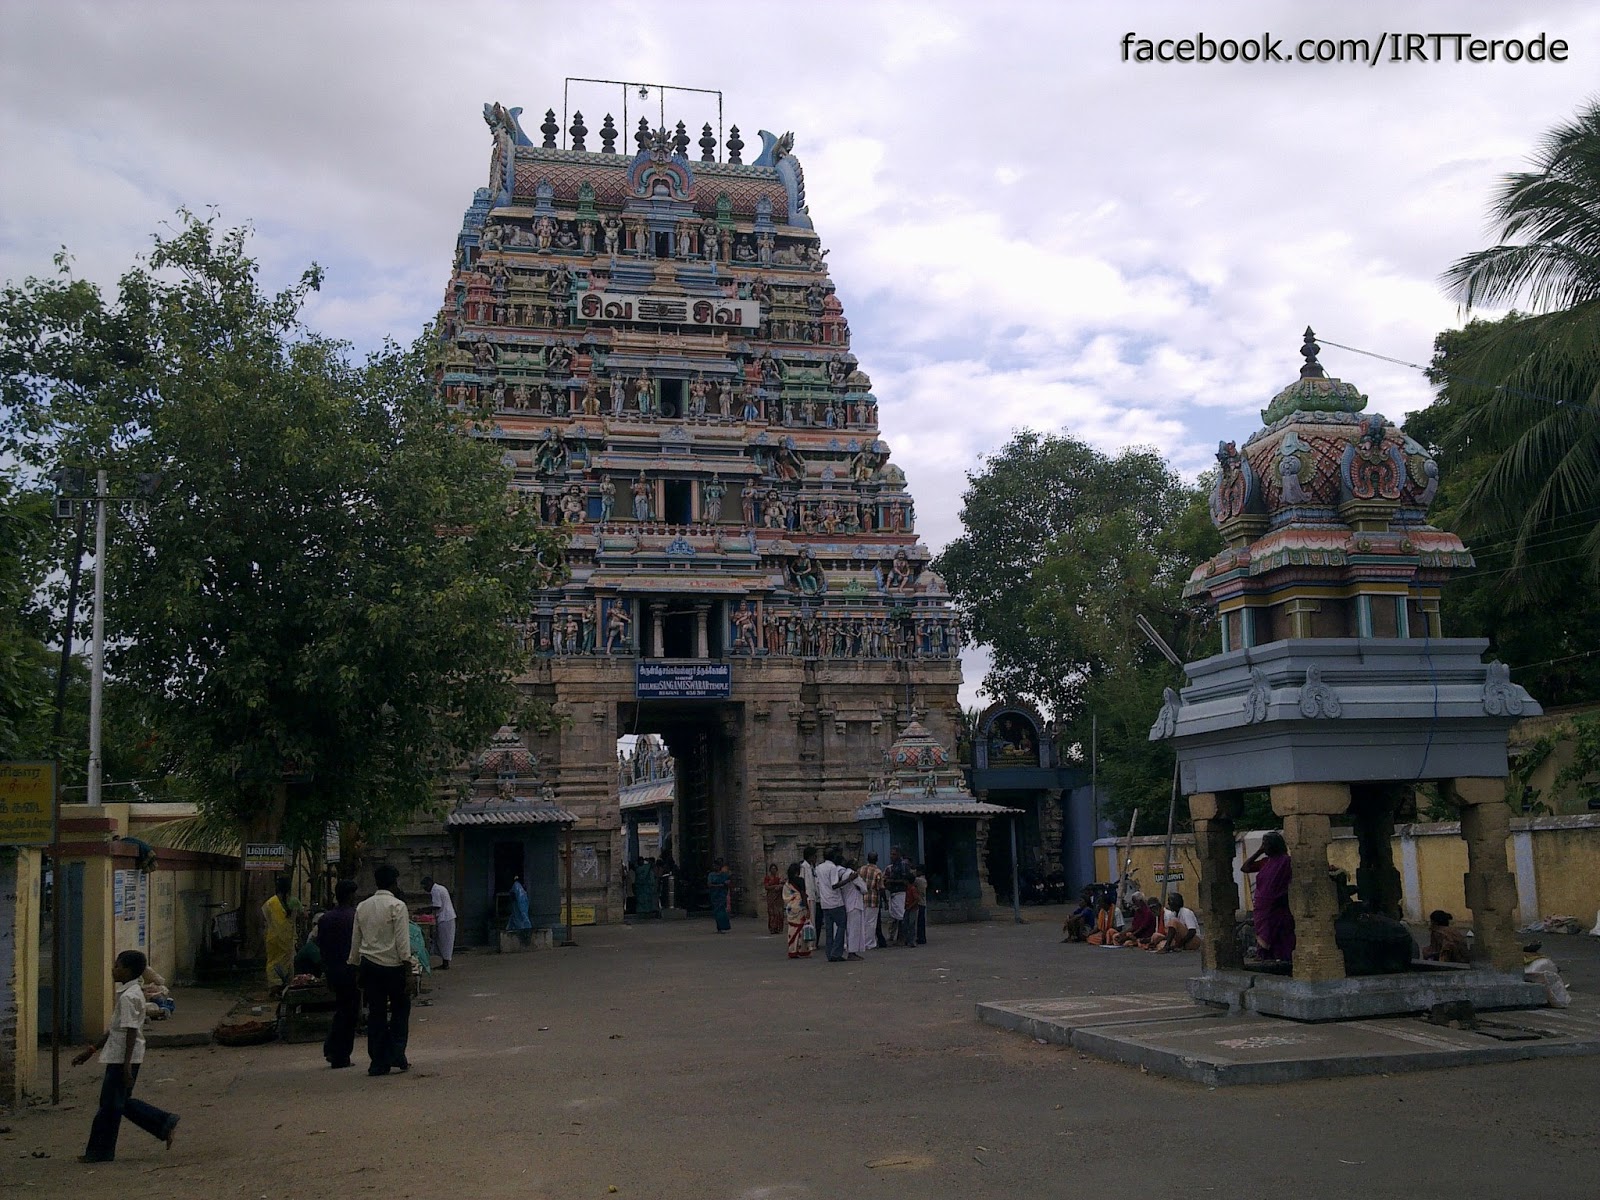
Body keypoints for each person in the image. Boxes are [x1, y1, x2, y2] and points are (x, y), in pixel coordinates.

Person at [73, 949, 179, 1162]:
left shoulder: (129, 997)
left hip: (123, 1056)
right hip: (121, 1054)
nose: (113, 970)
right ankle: (163, 1123)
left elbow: (130, 1031)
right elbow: (115, 1028)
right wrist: (91, 1050)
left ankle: (100, 1152)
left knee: (110, 1104)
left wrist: (126, 1064)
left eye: (117, 966)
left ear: (128, 971)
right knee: (117, 1102)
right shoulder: (129, 993)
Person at [349, 863, 417, 1076]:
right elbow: (403, 942)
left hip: (369, 965)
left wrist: (355, 966)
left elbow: (356, 940)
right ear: (394, 883)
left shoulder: (362, 906)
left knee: (376, 1014)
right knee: (400, 1011)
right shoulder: (397, 906)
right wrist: (409, 971)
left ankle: (378, 1062)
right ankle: (396, 1053)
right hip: (394, 967)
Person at [316, 878, 360, 1069]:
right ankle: (340, 1054)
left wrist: (326, 969)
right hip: (350, 970)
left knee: (342, 1009)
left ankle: (332, 1048)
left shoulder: (325, 918)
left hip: (333, 970)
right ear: (350, 896)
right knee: (349, 1013)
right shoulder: (354, 917)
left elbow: (321, 945)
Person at [1242, 831, 1295, 962]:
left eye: (1266, 844)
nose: (1265, 847)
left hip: (1278, 905)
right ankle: (1267, 958)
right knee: (1264, 932)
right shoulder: (1265, 862)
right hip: (1262, 906)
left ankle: (1282, 958)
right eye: (1263, 844)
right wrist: (1259, 851)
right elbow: (1245, 868)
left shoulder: (1286, 861)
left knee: (1279, 934)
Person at [814, 846, 855, 962]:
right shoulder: (832, 868)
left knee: (829, 930)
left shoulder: (819, 867)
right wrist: (849, 879)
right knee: (841, 925)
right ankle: (836, 952)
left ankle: (829, 953)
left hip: (824, 902)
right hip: (835, 902)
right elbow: (834, 885)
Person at [262, 875, 300, 992]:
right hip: (287, 938)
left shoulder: (270, 902)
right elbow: (301, 916)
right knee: (287, 960)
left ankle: (274, 985)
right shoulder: (294, 901)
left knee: (272, 961)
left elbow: (266, 920)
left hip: (272, 938)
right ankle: (286, 984)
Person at [420, 874, 456, 970]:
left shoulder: (435, 890)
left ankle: (445, 963)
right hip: (447, 917)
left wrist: (423, 910)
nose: (425, 889)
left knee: (445, 941)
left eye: (425, 887)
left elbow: (437, 906)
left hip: (445, 918)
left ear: (429, 884)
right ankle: (445, 962)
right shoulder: (440, 888)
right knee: (444, 940)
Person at [782, 863, 811, 959]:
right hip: (800, 906)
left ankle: (792, 950)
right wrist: (807, 908)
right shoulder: (800, 880)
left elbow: (786, 896)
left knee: (793, 928)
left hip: (791, 907)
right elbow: (803, 894)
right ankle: (802, 949)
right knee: (801, 928)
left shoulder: (788, 883)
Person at [885, 847, 912, 945]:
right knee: (896, 916)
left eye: (894, 854)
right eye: (891, 854)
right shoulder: (892, 867)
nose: (891, 856)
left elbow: (906, 880)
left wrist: (892, 881)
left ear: (899, 855)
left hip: (900, 893)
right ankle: (900, 938)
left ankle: (902, 938)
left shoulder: (903, 865)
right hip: (894, 893)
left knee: (901, 917)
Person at [842, 858, 868, 960]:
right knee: (854, 929)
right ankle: (851, 952)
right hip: (855, 904)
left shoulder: (844, 874)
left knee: (850, 928)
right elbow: (864, 889)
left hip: (848, 903)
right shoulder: (853, 874)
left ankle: (852, 950)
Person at [858, 852, 885, 949]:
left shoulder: (861, 869)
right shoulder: (878, 871)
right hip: (873, 899)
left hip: (861, 898)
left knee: (862, 921)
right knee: (871, 922)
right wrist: (885, 900)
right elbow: (881, 887)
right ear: (876, 859)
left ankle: (861, 941)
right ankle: (869, 943)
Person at [800, 846, 821, 947]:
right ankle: (809, 943)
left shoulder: (812, 867)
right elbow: (802, 883)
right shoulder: (803, 867)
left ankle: (812, 942)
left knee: (812, 920)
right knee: (809, 920)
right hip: (808, 897)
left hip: (813, 896)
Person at [708, 858, 732, 932]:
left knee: (722, 911)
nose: (715, 867)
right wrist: (719, 885)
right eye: (714, 866)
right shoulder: (711, 875)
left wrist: (726, 883)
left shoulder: (724, 875)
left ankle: (723, 926)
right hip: (715, 895)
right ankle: (719, 927)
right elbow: (709, 884)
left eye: (716, 865)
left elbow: (728, 883)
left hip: (722, 895)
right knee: (717, 911)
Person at [763, 863, 784, 935]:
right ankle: (772, 928)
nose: (773, 870)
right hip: (771, 897)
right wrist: (775, 886)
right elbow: (766, 887)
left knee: (779, 912)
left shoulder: (778, 878)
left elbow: (783, 885)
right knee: (772, 913)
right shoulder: (767, 878)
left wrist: (779, 886)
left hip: (778, 898)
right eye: (772, 869)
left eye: (775, 869)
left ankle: (779, 928)